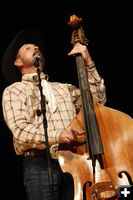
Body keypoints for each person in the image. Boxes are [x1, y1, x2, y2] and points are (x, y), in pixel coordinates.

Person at [2, 29, 106, 200]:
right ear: (18, 62)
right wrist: (57, 136)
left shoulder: (63, 88)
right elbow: (20, 132)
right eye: (28, 48)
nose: (35, 47)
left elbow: (97, 102)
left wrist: (88, 62)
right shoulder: (14, 91)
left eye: (36, 46)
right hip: (40, 164)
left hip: (75, 161)